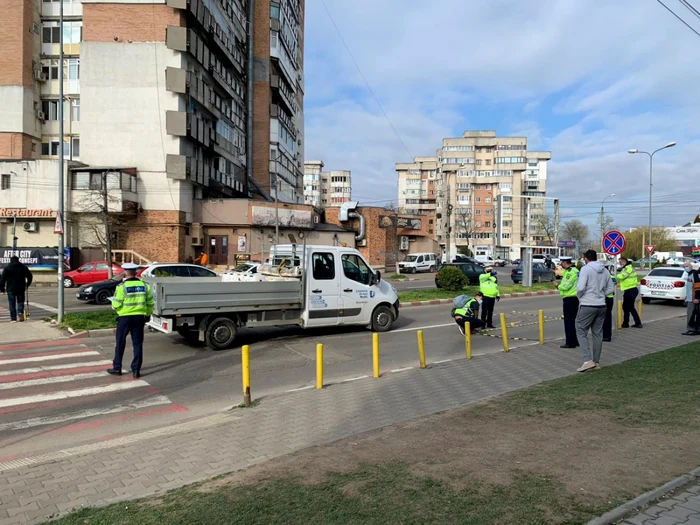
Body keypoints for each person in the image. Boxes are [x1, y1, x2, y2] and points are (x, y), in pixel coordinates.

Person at [107, 263, 154, 379]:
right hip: (139, 318)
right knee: (137, 344)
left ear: (125, 273)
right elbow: (150, 303)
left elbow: (116, 304)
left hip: (124, 318)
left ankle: (117, 367)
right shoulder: (145, 286)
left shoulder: (121, 287)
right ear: (135, 273)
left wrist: (114, 306)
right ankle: (136, 370)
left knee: (120, 343)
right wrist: (147, 314)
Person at [575, 249, 614, 372]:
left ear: (586, 258)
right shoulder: (605, 270)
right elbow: (611, 287)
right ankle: (596, 362)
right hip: (601, 304)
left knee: (581, 330)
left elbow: (581, 287)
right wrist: (601, 294)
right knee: (597, 333)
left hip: (587, 304)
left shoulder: (585, 269)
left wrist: (580, 296)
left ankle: (587, 360)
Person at [0, 256, 33, 323]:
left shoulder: (7, 268)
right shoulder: (23, 268)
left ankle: (13, 318)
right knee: (20, 301)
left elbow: (2, 279)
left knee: (12, 303)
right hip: (21, 288)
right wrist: (27, 284)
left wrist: (2, 289)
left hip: (10, 289)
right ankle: (20, 312)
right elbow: (30, 276)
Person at [555, 257, 579, 348]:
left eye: (562, 263)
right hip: (575, 298)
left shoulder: (570, 273)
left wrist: (557, 286)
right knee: (573, 321)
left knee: (568, 321)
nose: (561, 265)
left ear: (565, 263)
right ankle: (575, 340)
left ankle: (570, 342)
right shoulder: (575, 270)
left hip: (569, 298)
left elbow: (565, 286)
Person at [618, 256, 642, 329]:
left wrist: (615, 275)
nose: (619, 263)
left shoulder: (628, 268)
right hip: (630, 290)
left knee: (626, 307)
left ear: (623, 261)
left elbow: (622, 276)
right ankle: (637, 323)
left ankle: (626, 323)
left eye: (620, 261)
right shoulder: (627, 267)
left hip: (630, 290)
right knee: (630, 307)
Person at [682, 262, 700, 336]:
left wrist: (696, 298)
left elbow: (697, 287)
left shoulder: (694, 274)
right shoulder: (691, 274)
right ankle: (697, 328)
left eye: (685, 266)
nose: (684, 268)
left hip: (693, 299)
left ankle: (691, 329)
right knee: (696, 313)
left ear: (690, 266)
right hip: (691, 297)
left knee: (691, 314)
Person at [602, 274, 615, 342]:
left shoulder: (603, 277)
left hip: (605, 298)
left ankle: (605, 336)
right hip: (610, 299)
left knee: (604, 318)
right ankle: (608, 334)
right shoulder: (612, 276)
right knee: (608, 316)